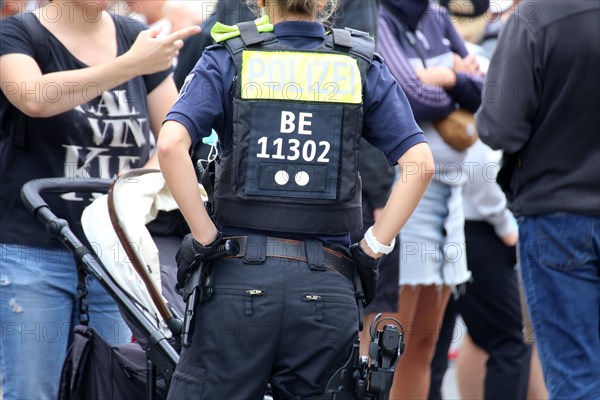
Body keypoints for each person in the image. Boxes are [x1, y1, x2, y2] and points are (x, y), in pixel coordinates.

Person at [157, 0, 435, 397]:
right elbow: (419, 164)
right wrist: (373, 248)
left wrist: (205, 238)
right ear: (326, 3)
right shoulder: (358, 63)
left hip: (236, 285)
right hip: (328, 286)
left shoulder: (230, 56)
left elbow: (170, 145)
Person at [0, 2, 199, 398]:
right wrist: (130, 65)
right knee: (31, 390)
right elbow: (34, 97)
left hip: (114, 256)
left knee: (110, 385)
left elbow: (174, 137)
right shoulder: (18, 34)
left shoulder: (131, 36)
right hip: (31, 251)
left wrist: (130, 188)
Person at [476, 1, 600, 399]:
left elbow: (499, 127)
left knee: (576, 375)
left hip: (558, 215)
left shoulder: (537, 16)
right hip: (559, 214)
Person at [376, 0, 483, 398]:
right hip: (404, 199)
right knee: (387, 346)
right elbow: (406, 95)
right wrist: (452, 75)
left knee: (424, 348)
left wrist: (442, 78)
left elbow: (485, 92)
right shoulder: (379, 13)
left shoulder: (436, 15)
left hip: (448, 206)